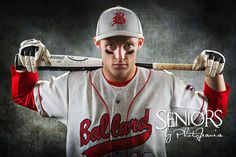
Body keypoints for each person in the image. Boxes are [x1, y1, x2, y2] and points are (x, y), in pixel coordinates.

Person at [11, 6, 230, 157]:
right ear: (97, 44)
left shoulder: (164, 84)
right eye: (110, 46)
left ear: (140, 42)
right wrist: (24, 64)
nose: (119, 55)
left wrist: (214, 72)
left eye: (127, 46)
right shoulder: (72, 84)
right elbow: (24, 95)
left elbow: (213, 114)